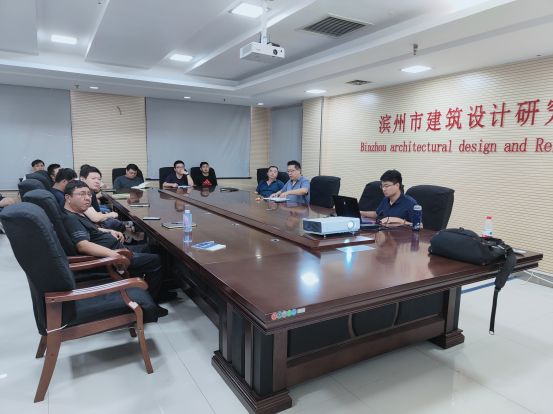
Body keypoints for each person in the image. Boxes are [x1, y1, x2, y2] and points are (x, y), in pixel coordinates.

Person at [62, 180, 168, 317]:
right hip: (110, 261)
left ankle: (160, 290)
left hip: (116, 251)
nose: (87, 198)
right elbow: (83, 245)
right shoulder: (70, 219)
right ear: (68, 197)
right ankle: (150, 307)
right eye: (81, 194)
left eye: (88, 194)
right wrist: (116, 256)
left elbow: (90, 231)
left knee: (153, 248)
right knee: (155, 260)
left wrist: (107, 231)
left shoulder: (75, 213)